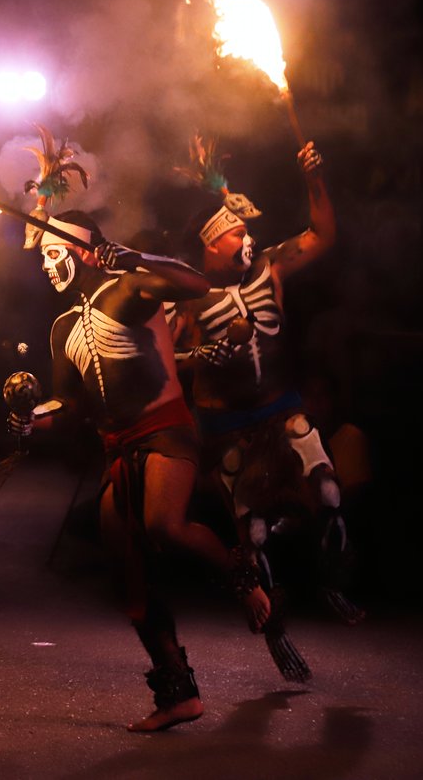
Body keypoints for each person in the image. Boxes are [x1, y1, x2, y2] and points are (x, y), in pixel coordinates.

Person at [9, 211, 283, 733]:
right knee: (127, 569)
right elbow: (67, 403)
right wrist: (31, 419)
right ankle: (178, 690)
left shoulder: (131, 289)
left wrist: (132, 256)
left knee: (163, 523)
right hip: (118, 448)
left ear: (84, 250)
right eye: (42, 256)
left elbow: (198, 283)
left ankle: (242, 576)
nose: (46, 266)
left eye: (53, 252)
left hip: (165, 429)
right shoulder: (62, 327)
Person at [170, 138, 363, 635]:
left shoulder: (270, 267)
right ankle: (271, 620)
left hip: (281, 409)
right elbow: (161, 356)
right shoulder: (185, 298)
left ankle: (333, 582)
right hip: (229, 427)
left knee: (328, 490)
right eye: (237, 232)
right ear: (212, 243)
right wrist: (199, 356)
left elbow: (321, 234)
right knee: (252, 529)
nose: (249, 239)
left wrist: (314, 179)